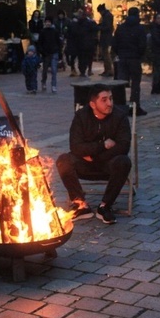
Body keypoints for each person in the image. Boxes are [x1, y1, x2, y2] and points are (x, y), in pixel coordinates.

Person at [56, 84, 131, 225]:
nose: (109, 103)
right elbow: (75, 147)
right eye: (104, 100)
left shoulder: (119, 116)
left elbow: (123, 146)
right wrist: (102, 145)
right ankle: (81, 205)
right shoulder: (81, 116)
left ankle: (105, 206)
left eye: (110, 98)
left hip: (108, 165)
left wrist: (96, 156)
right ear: (92, 104)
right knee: (64, 160)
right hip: (85, 165)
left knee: (123, 161)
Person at [112, 7, 147, 116]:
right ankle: (134, 107)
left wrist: (119, 53)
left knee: (121, 83)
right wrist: (139, 55)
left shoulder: (121, 28)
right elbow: (142, 45)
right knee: (135, 84)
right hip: (134, 58)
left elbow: (115, 43)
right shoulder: (140, 29)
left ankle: (120, 106)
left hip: (123, 58)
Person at [37, 16, 62, 93]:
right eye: (46, 22)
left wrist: (59, 51)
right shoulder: (42, 32)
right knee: (45, 70)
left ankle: (53, 85)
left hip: (54, 52)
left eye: (49, 22)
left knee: (54, 70)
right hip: (45, 53)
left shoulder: (55, 31)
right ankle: (43, 82)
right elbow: (40, 43)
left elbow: (58, 42)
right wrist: (41, 51)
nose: (48, 23)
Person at [96, 4, 114, 77]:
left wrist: (99, 27)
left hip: (106, 37)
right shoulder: (106, 15)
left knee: (106, 55)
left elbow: (107, 27)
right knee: (105, 54)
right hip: (105, 37)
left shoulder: (107, 16)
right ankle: (107, 70)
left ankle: (109, 70)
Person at [64, 10, 81, 77]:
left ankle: (72, 68)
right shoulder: (78, 24)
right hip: (76, 42)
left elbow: (66, 32)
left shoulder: (69, 23)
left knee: (72, 55)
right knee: (76, 56)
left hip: (71, 42)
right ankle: (74, 69)